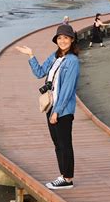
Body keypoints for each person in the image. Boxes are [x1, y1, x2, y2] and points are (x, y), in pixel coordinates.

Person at [15, 24, 80, 189]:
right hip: (51, 106)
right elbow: (39, 73)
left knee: (65, 144)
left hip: (62, 110)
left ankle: (68, 179)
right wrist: (30, 55)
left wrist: (57, 112)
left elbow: (67, 89)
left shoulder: (72, 61)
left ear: (72, 40)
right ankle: (63, 176)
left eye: (66, 38)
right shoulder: (55, 56)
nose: (63, 41)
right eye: (60, 38)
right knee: (57, 143)